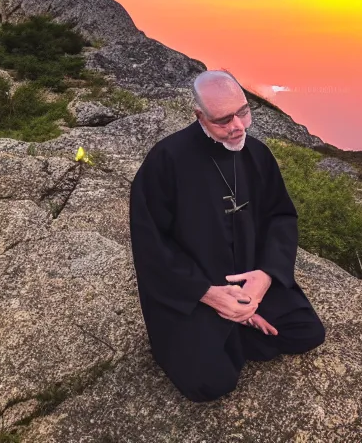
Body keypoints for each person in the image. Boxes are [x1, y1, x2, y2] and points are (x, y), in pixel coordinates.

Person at [129, 70, 325, 402]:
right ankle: (230, 324)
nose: (238, 126)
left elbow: (281, 218)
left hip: (250, 277)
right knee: (210, 383)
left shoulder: (258, 154)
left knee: (307, 332)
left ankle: (239, 322)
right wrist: (208, 294)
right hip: (194, 291)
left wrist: (264, 278)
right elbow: (151, 245)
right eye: (223, 120)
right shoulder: (166, 161)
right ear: (199, 116)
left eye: (243, 112)